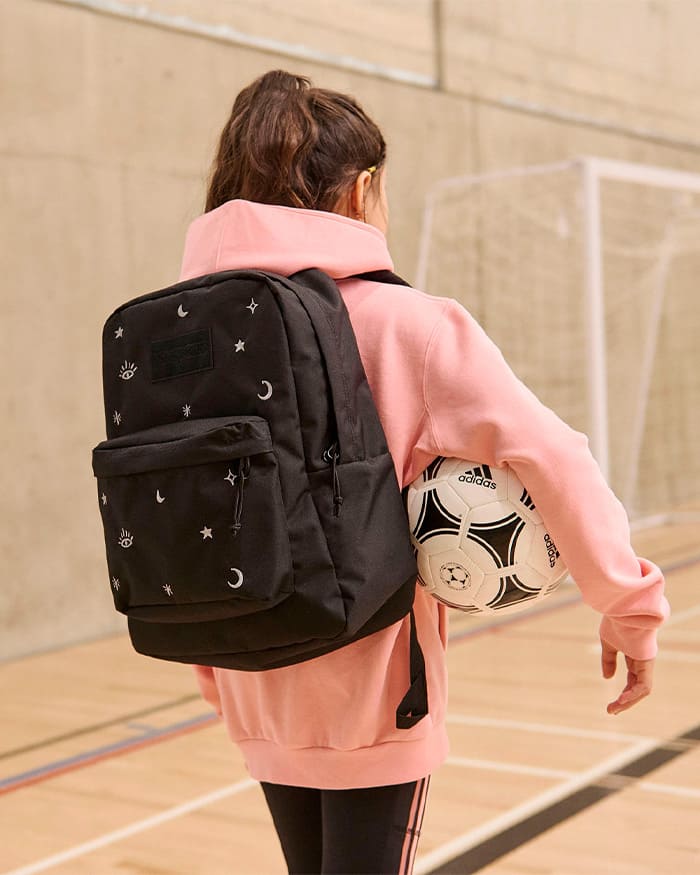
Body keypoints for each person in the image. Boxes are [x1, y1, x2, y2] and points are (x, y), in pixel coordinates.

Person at [181, 70, 670, 875]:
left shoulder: (191, 333)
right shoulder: (412, 326)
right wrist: (629, 605)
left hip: (251, 678)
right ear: (362, 188)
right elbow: (554, 458)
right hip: (377, 692)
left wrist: (217, 668)